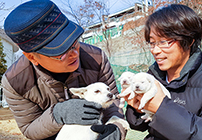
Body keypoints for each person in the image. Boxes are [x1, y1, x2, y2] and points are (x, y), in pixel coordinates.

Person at [1, 0, 127, 139]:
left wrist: (116, 130)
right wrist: (57, 114)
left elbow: (113, 105)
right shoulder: (15, 82)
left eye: (74, 43)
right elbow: (29, 128)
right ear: (32, 57)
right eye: (61, 51)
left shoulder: (96, 59)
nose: (75, 53)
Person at [124, 4, 202, 140]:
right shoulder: (153, 75)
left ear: (189, 40)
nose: (155, 50)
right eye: (152, 42)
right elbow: (138, 126)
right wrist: (137, 109)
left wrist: (162, 108)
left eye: (164, 41)